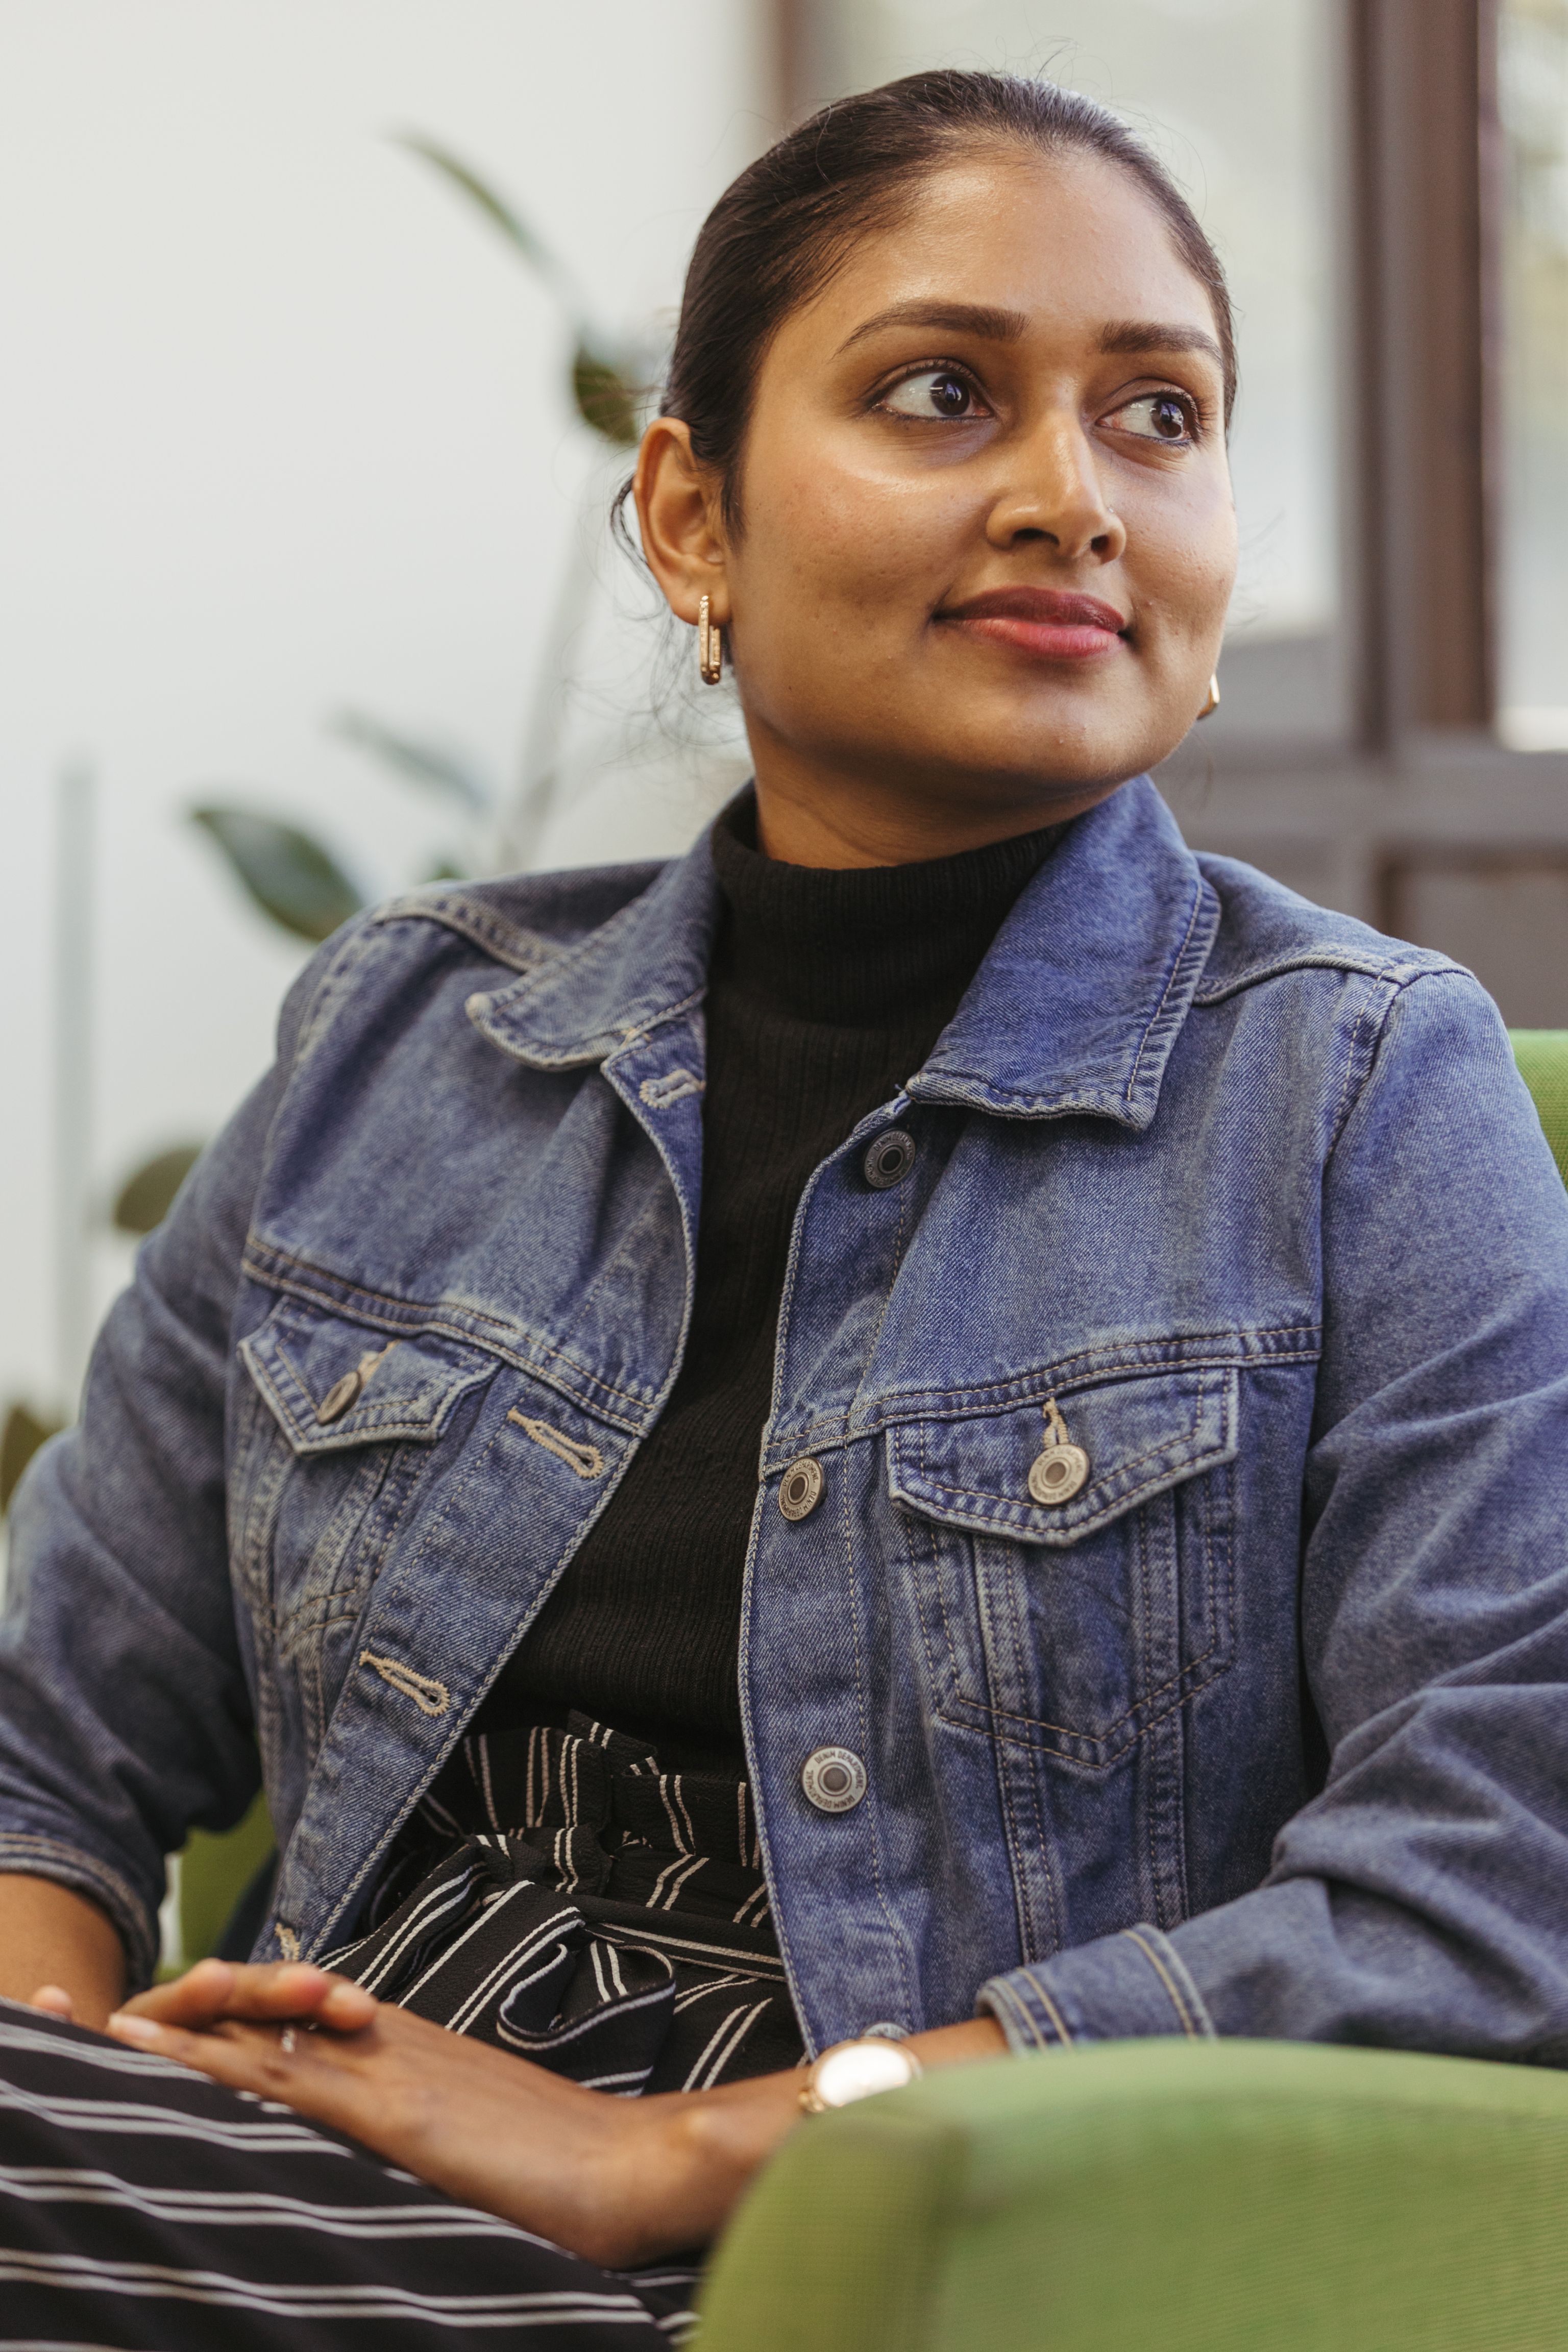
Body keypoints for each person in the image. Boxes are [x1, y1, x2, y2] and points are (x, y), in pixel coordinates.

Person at [3, 63, 1567, 2350]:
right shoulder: (408, 1040)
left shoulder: (1353, 1096)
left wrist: (682, 2148)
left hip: (856, 2258)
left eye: (1161, 417)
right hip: (272, 2204)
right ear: (692, 517)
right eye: (946, 395)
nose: (1073, 497)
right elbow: (50, 1743)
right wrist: (57, 2079)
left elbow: (1494, 1891)